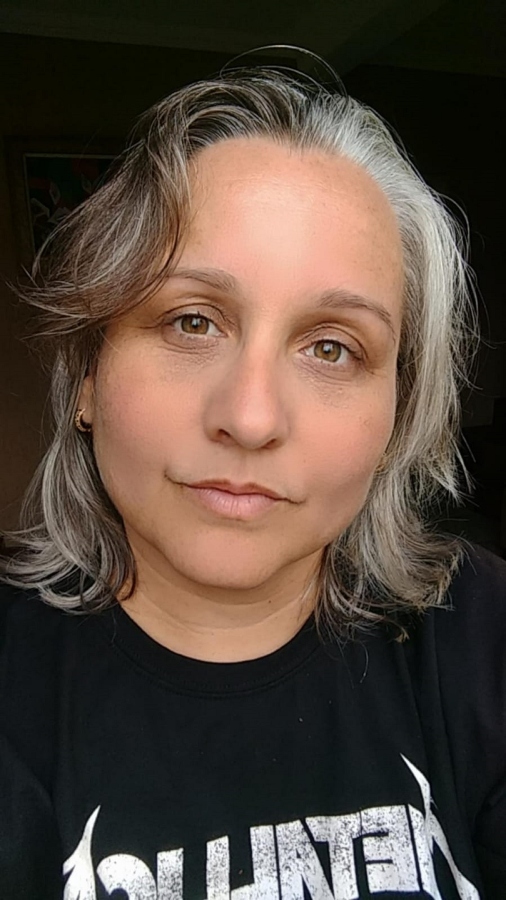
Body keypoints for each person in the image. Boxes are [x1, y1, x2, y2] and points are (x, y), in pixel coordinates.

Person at [0, 59, 505, 900]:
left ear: (398, 414)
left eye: (332, 346)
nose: (251, 416)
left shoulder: (482, 637)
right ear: (88, 376)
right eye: (192, 321)